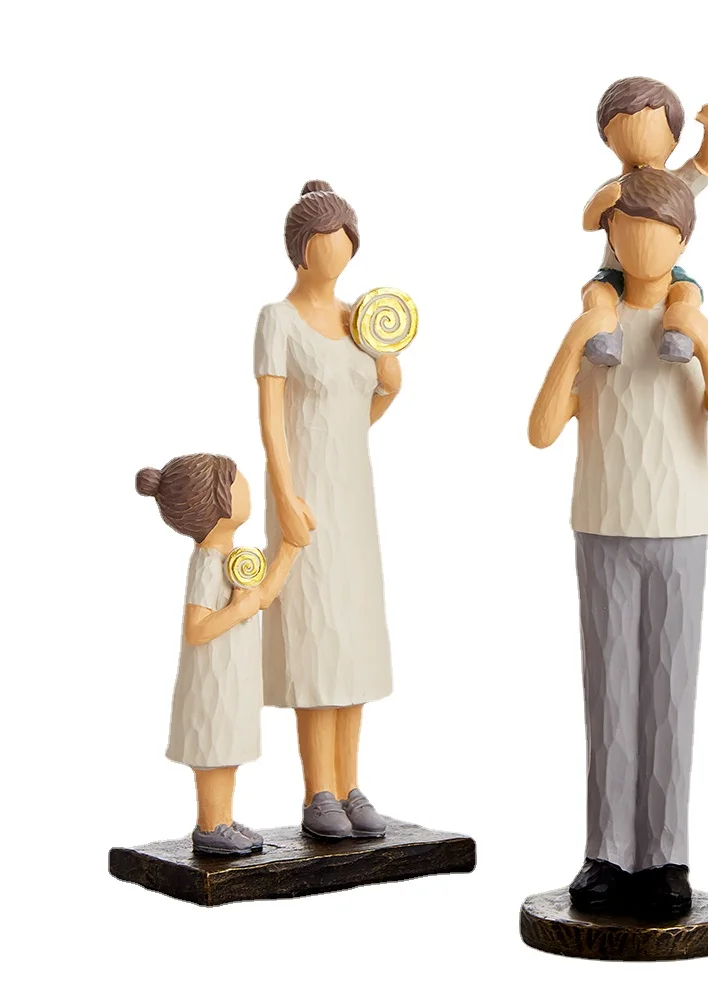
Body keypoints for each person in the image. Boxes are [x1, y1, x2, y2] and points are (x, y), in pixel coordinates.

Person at [528, 167, 708, 915]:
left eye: (660, 232)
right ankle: (608, 851)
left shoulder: (694, 325)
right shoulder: (598, 324)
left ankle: (666, 856)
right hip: (602, 522)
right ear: (610, 239)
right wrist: (576, 339)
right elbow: (541, 431)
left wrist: (706, 344)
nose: (644, 244)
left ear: (684, 241)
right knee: (610, 693)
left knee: (668, 694)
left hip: (680, 527)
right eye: (628, 230)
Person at [255, 181, 401, 841]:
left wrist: (388, 380)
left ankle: (350, 783)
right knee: (316, 637)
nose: (338, 253)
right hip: (306, 496)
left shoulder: (360, 319)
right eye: (327, 241)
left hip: (353, 497)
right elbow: (272, 422)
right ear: (301, 248)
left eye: (346, 241)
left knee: (355, 640)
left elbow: (359, 413)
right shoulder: (278, 320)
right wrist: (285, 496)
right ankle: (318, 790)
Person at [136, 453, 299, 855]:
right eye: (236, 481)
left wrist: (291, 549)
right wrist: (239, 609)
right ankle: (209, 825)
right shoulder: (208, 564)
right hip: (213, 679)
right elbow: (197, 629)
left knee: (226, 749)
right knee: (213, 750)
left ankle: (222, 818)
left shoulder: (228, 558)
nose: (246, 485)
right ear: (216, 503)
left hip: (232, 674)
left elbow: (262, 597)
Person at [579, 77, 708, 360]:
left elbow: (705, 166)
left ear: (674, 138)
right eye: (625, 128)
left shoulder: (676, 187)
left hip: (664, 275)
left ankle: (679, 334)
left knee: (687, 291)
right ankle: (605, 336)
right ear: (607, 138)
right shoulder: (614, 188)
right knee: (596, 294)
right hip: (616, 272)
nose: (640, 138)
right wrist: (601, 202)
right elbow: (588, 223)